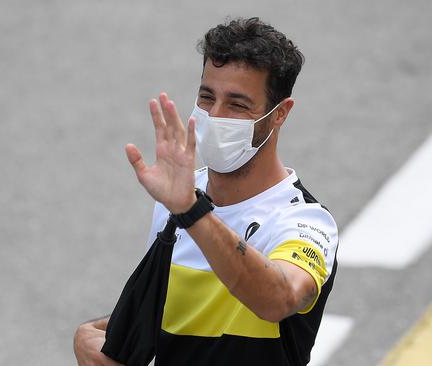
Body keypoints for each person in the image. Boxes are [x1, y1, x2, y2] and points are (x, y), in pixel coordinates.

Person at [74, 17, 339, 366]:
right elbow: (171, 321)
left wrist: (192, 211)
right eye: (207, 96)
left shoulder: (304, 222)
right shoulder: (178, 199)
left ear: (279, 114)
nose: (215, 115)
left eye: (237, 104)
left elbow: (278, 299)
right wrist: (93, 339)